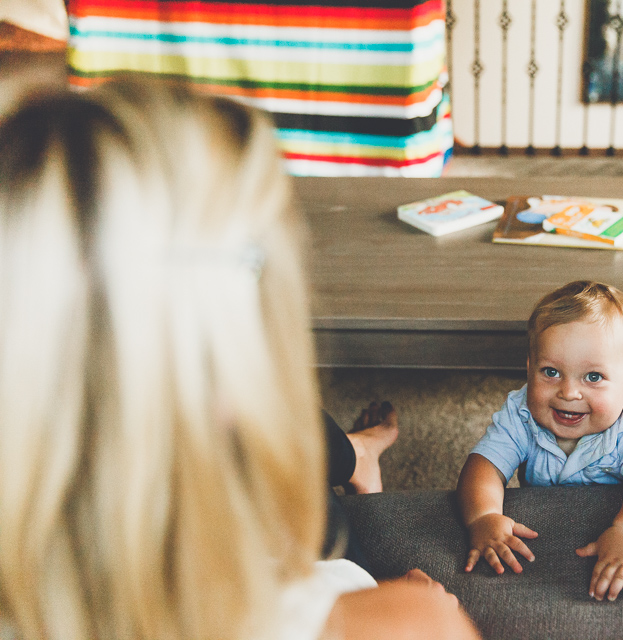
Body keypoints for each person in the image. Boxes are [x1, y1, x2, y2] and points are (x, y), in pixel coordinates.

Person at [0, 77, 478, 640]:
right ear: (228, 370)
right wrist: (403, 612)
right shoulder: (408, 624)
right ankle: (357, 455)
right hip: (312, 575)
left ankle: (356, 452)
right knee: (316, 503)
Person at [457, 280, 623, 602]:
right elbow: (484, 464)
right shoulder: (521, 412)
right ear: (530, 368)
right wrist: (484, 515)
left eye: (593, 377)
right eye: (550, 372)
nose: (568, 392)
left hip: (611, 516)